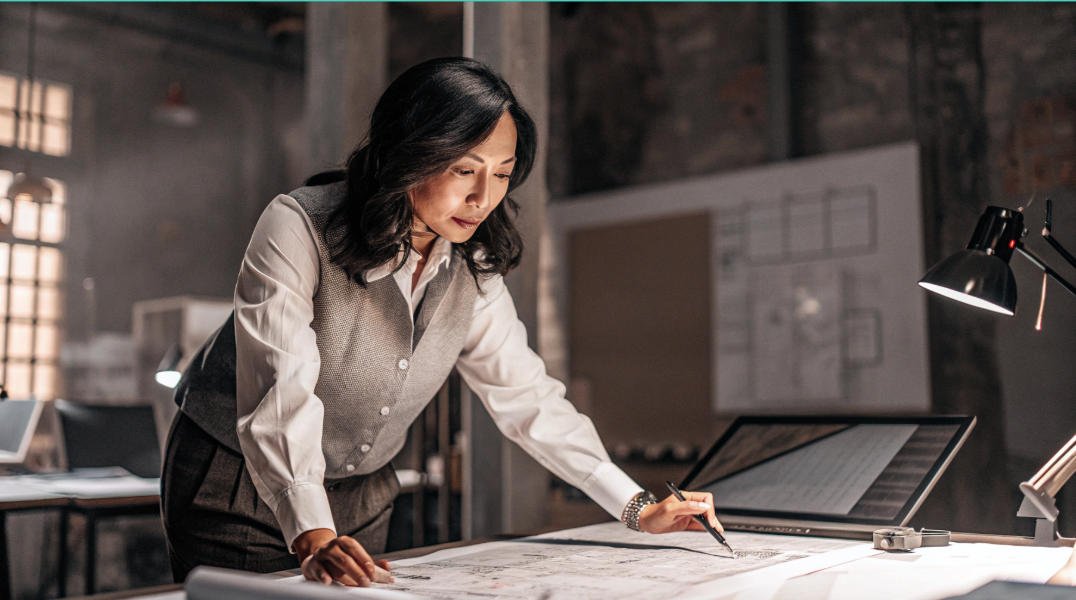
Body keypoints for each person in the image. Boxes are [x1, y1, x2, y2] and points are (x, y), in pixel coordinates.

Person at [161, 56, 724, 588]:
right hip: (234, 483)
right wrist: (313, 532)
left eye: (502, 174)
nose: (483, 197)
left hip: (361, 496)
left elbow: (528, 398)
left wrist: (638, 508)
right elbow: (280, 386)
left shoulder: (473, 266)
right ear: (408, 153)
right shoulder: (298, 225)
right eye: (463, 169)